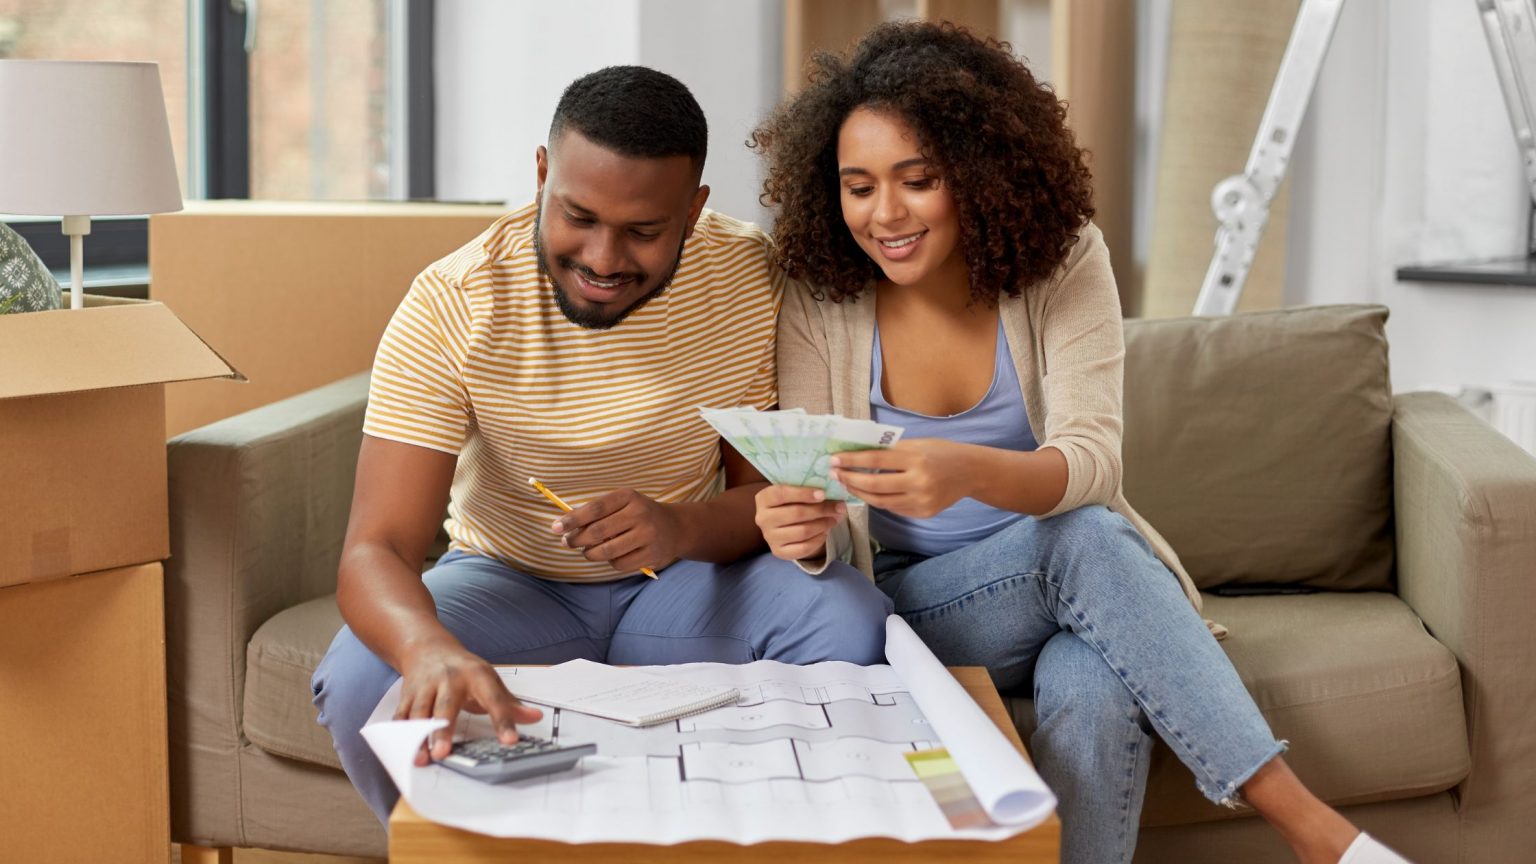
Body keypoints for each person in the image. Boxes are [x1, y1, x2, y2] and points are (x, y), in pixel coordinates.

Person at [750, 21, 1407, 864]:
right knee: (1083, 539)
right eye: (858, 186)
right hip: (918, 607)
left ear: (979, 174)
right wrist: (797, 534)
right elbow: (822, 500)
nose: (885, 214)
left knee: (1092, 684)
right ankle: (1315, 831)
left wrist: (966, 472)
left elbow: (1093, 462)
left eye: (918, 180)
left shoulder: (1060, 262)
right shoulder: (821, 294)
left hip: (1073, 586)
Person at [311, 65, 893, 825]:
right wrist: (426, 647)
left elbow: (765, 498)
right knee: (361, 677)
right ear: (543, 173)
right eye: (578, 216)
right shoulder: (453, 302)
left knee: (852, 620)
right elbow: (374, 548)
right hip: (509, 583)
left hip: (687, 583)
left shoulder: (748, 276)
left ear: (693, 210)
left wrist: (679, 525)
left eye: (643, 231)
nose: (603, 258)